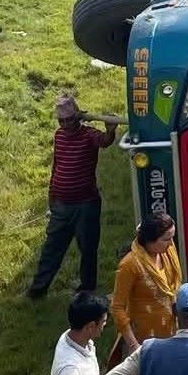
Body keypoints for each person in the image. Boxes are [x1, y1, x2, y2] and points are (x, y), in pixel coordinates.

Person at [27, 96, 122, 298]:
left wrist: (110, 131)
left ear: (78, 117)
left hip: (86, 203)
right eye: (61, 120)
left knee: (88, 247)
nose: (65, 124)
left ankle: (87, 288)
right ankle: (37, 290)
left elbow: (104, 142)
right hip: (61, 203)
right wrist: (51, 196)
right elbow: (57, 165)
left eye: (69, 119)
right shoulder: (59, 135)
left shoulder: (89, 135)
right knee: (52, 248)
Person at [107, 213, 181, 365]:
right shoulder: (130, 265)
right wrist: (134, 345)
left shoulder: (167, 252)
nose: (171, 243)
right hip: (144, 339)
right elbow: (117, 307)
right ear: (150, 240)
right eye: (166, 239)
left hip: (171, 330)